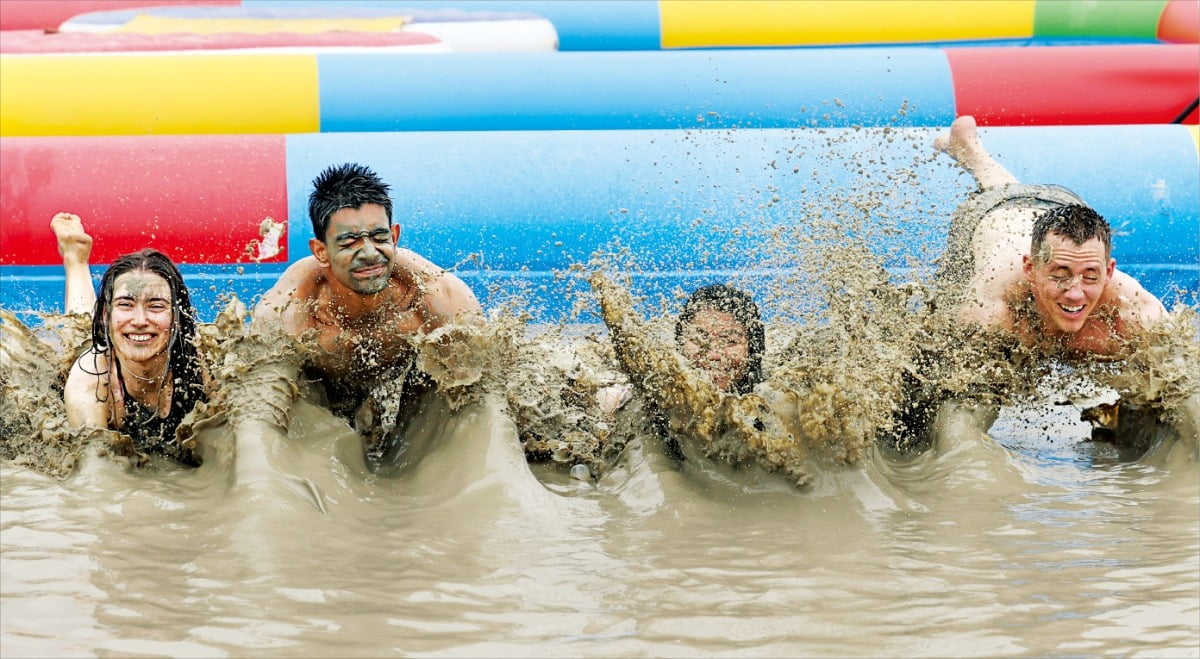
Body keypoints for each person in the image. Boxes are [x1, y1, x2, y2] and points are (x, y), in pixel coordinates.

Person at [251, 163, 484, 455]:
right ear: (321, 251)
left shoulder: (436, 295)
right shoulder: (292, 309)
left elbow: (481, 395)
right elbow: (259, 415)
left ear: (395, 236)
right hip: (319, 393)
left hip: (408, 391)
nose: (370, 254)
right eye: (349, 242)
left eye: (379, 237)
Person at [934, 115, 1167, 354]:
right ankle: (972, 152)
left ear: (1108, 271)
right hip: (999, 215)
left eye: (1090, 277)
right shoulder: (990, 308)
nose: (1075, 294)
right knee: (941, 309)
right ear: (1029, 269)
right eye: (1060, 276)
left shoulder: (1138, 314)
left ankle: (969, 149)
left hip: (1065, 209)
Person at [52, 212, 207, 466]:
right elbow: (97, 476)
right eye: (126, 304)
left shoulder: (200, 365)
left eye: (156, 306)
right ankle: (75, 260)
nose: (139, 320)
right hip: (103, 358)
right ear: (106, 315)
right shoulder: (89, 381)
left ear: (177, 317)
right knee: (76, 335)